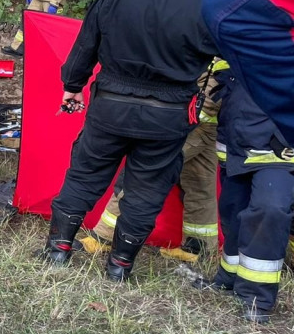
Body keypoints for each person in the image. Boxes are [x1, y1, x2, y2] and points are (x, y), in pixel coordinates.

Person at [41, 0, 229, 281]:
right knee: (147, 189)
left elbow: (86, 43)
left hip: (110, 105)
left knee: (84, 176)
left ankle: (58, 249)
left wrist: (72, 86)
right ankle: (119, 267)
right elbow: (230, 58)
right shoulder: (210, 9)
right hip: (168, 116)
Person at [198, 0, 294, 323]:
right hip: (237, 122)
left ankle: (257, 297)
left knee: (269, 209)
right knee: (233, 204)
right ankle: (229, 276)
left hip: (276, 135)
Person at [83, 58, 227, 262]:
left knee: (144, 170)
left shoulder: (223, 31)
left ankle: (104, 237)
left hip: (195, 115)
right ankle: (199, 247)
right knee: (198, 181)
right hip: (209, 115)